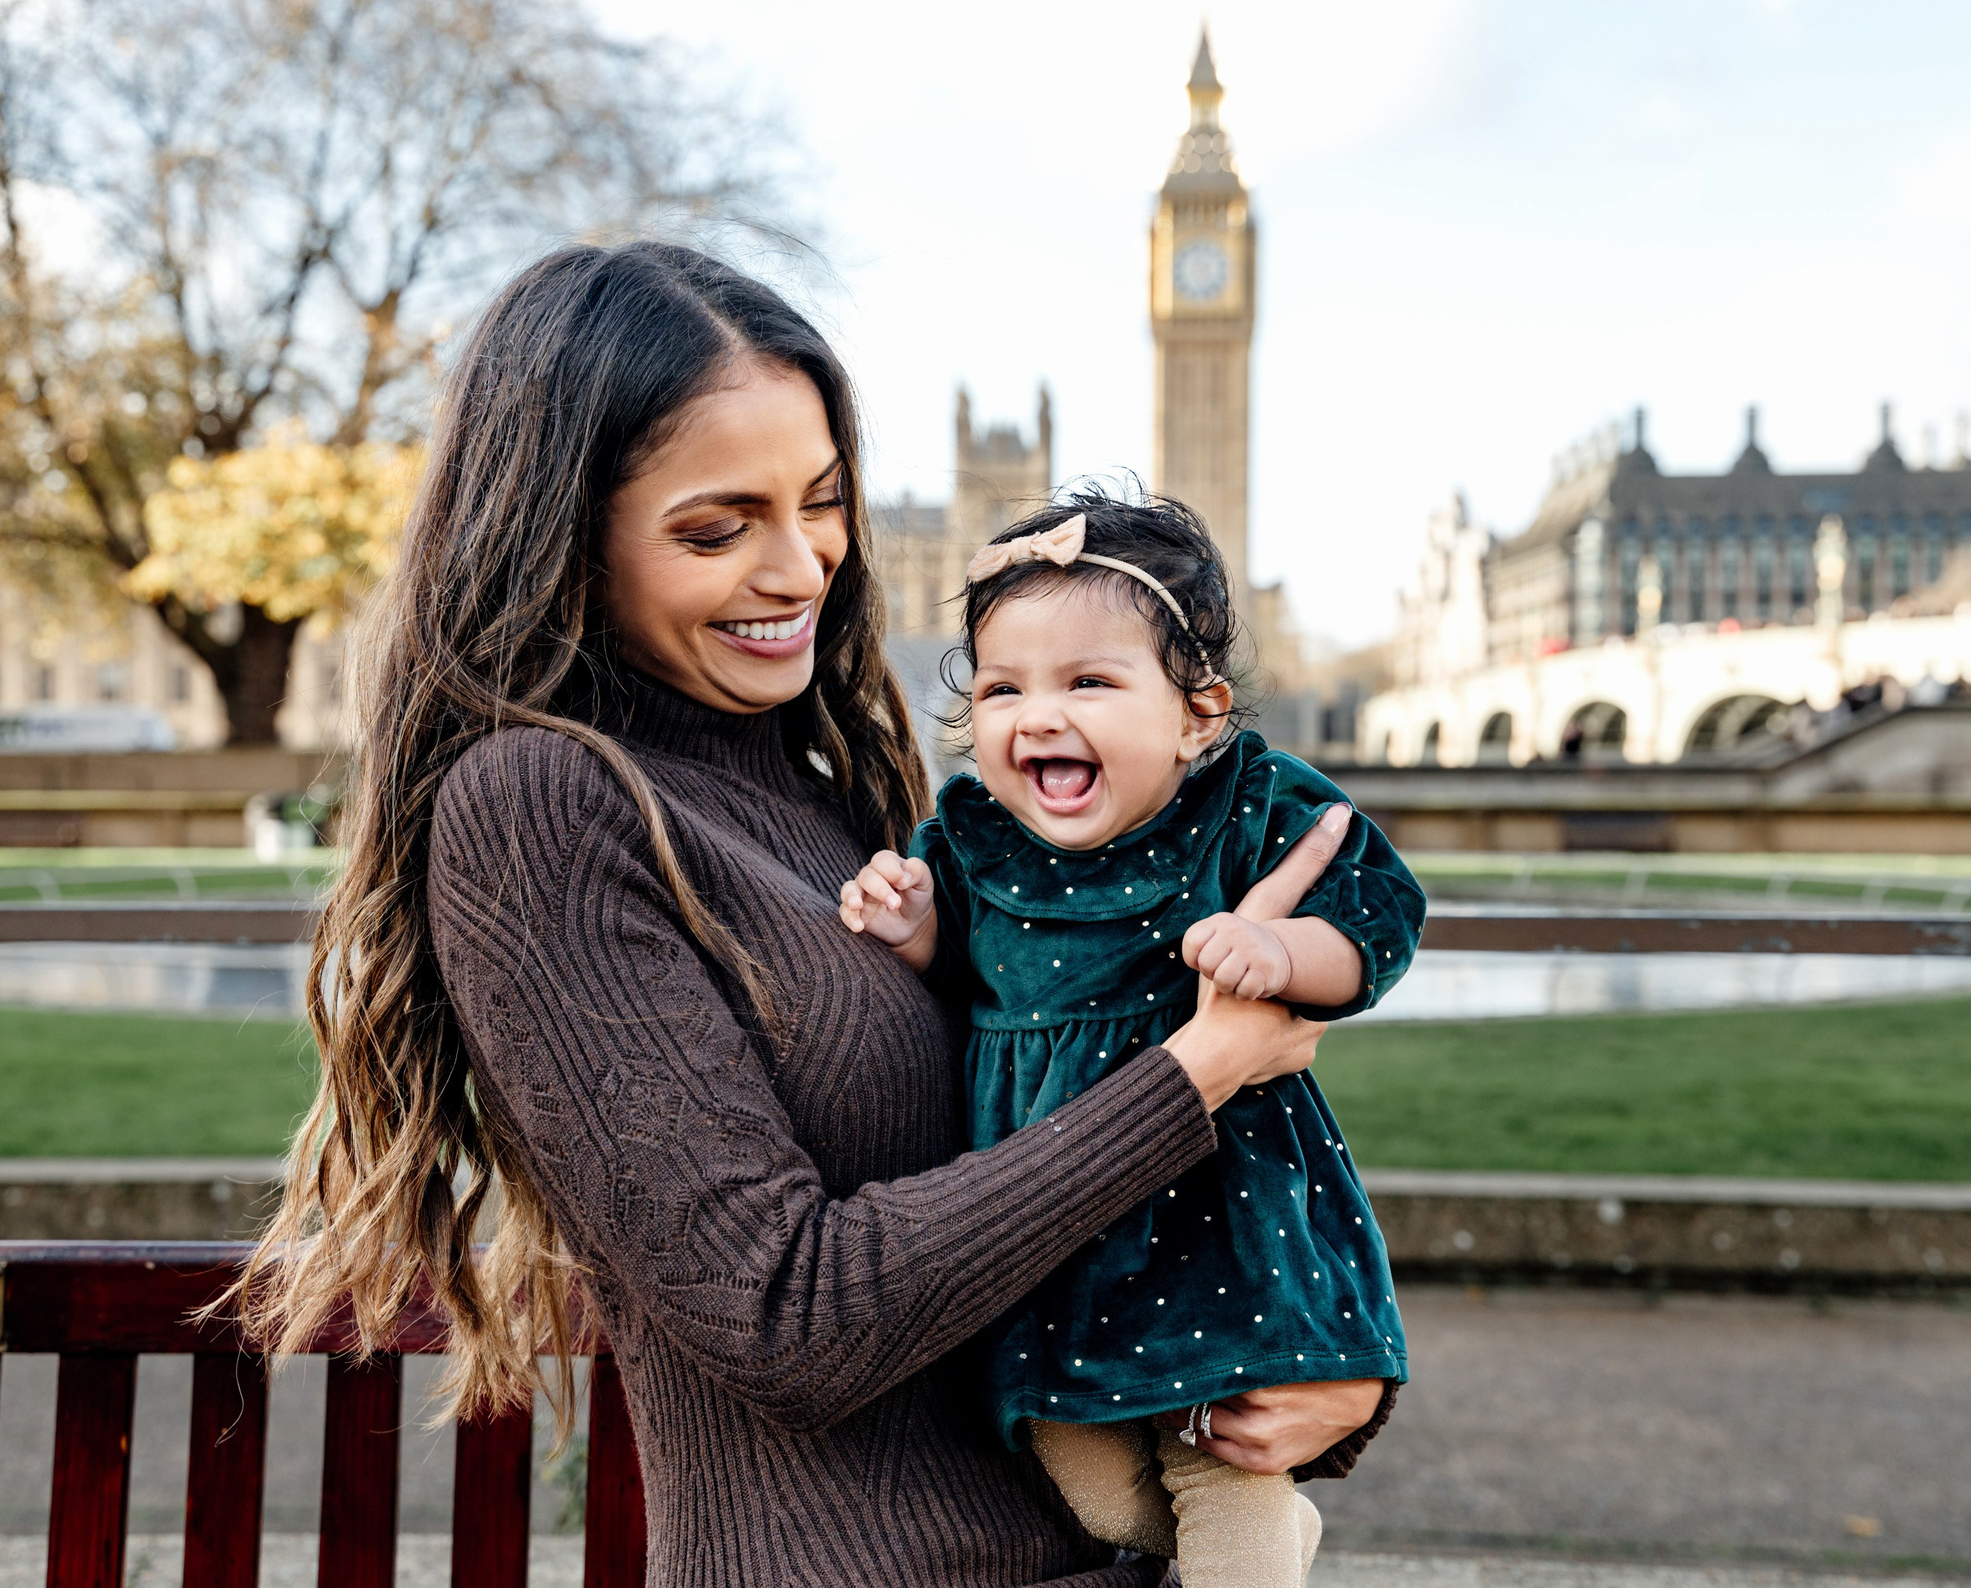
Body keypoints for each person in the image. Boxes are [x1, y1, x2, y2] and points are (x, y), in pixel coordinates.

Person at [229, 241, 1387, 1587]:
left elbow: (1041, 1189)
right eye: (719, 527)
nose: (801, 568)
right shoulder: (543, 807)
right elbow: (783, 1316)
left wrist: (1314, 1382)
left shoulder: (833, 788)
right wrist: (1198, 1069)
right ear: (564, 531)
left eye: (824, 502)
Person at [840, 492, 1422, 1588]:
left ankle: (1251, 1543)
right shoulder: (974, 837)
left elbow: (1379, 917)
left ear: (1198, 712)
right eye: (1004, 686)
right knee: (1090, 1475)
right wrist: (915, 932)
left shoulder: (1245, 806)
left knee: (1221, 1465)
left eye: (1088, 682)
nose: (1037, 715)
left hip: (1217, 1223)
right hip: (1043, 1230)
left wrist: (1286, 953)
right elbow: (965, 973)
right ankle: (1267, 1544)